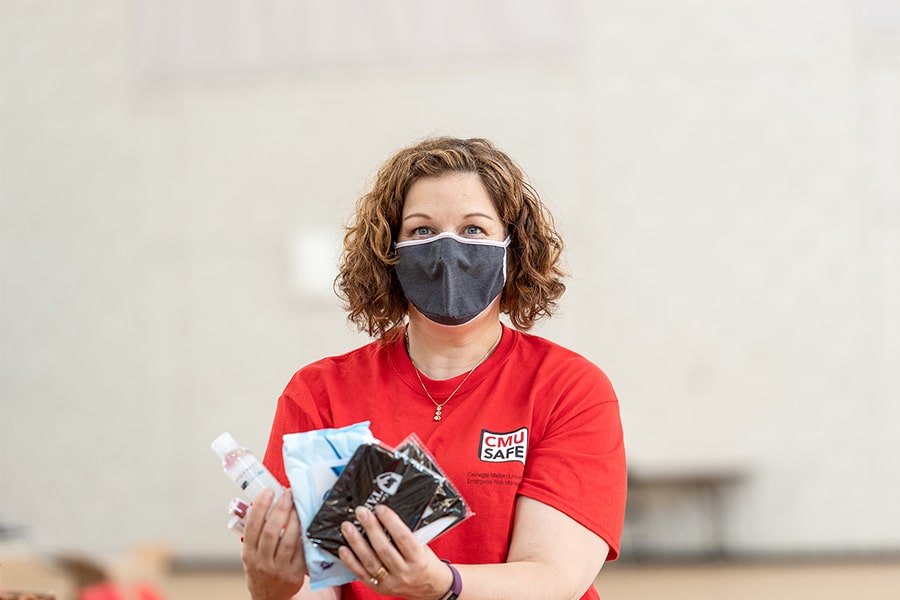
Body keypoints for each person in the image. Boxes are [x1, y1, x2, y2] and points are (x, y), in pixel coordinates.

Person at [240, 137, 627, 600]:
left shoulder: (568, 388)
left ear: (513, 249)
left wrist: (442, 584)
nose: (448, 251)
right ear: (389, 250)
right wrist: (272, 589)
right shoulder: (320, 393)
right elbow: (313, 584)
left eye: (474, 229)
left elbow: (552, 578)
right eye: (422, 231)